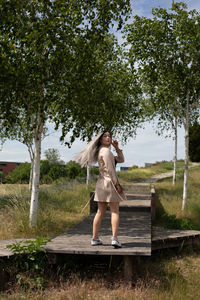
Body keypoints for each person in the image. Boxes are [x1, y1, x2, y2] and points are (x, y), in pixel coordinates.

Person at [75, 131, 126, 248]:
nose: (108, 138)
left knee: (100, 211)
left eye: (109, 136)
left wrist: (117, 148)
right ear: (100, 139)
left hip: (101, 184)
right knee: (114, 211)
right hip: (109, 184)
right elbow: (110, 170)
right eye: (105, 136)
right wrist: (117, 184)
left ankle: (95, 238)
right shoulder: (106, 152)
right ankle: (114, 238)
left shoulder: (102, 151)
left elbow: (121, 160)